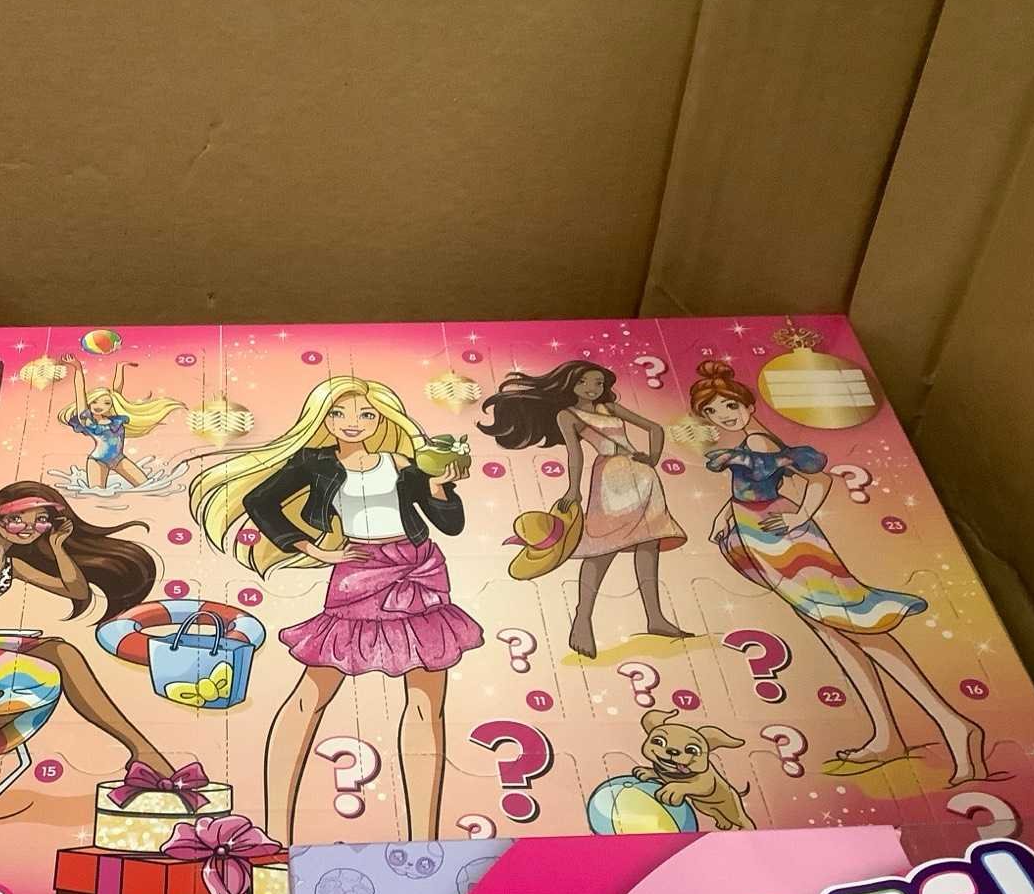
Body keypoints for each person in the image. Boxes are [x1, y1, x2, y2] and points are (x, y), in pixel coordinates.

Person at [189, 376, 482, 842]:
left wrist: (441, 489)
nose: (352, 423)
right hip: (357, 571)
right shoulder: (315, 462)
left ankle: (426, 840)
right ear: (322, 418)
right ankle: (275, 835)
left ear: (380, 419)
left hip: (418, 570)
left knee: (426, 703)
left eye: (365, 414)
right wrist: (312, 547)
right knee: (311, 693)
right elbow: (258, 500)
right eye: (338, 413)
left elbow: (451, 525)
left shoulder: (404, 464)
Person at [690, 360, 987, 785]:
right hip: (762, 537)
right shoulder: (753, 442)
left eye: (729, 405)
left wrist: (798, 518)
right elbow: (751, 486)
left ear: (747, 404)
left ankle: (954, 725)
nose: (724, 416)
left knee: (854, 627)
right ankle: (886, 737)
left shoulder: (756, 440)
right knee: (834, 633)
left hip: (788, 543)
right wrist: (727, 514)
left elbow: (820, 481)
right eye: (713, 412)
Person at [0, 480, 173, 812]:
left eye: (41, 520)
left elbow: (76, 591)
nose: (29, 528)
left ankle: (141, 750)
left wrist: (58, 546)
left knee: (61, 652)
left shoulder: (12, 563)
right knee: (34, 681)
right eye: (17, 519)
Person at [479, 360, 688, 657]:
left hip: (644, 477)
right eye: (584, 382)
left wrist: (652, 458)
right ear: (570, 384)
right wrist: (573, 489)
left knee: (649, 545)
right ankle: (582, 619)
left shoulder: (609, 408)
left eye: (598, 383)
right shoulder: (568, 415)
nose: (592, 388)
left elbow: (655, 428)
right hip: (611, 478)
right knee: (602, 548)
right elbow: (575, 455)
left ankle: (655, 618)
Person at [58, 356, 184, 490]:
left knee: (148, 486)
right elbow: (80, 392)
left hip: (119, 459)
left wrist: (119, 368)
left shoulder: (115, 420)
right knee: (98, 493)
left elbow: (116, 392)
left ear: (111, 405)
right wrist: (78, 368)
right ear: (89, 403)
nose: (99, 406)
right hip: (97, 461)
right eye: (94, 402)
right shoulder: (87, 420)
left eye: (106, 403)